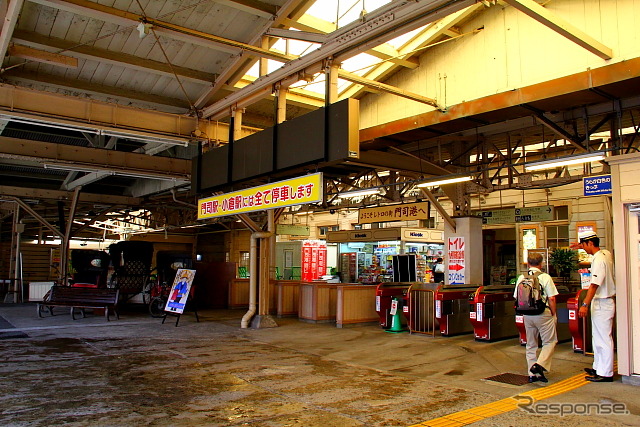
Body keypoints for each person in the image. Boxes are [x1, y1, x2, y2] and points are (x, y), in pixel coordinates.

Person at [577, 230, 616, 382]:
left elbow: (593, 285)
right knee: (597, 337)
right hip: (602, 302)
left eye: (584, 245)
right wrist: (579, 245)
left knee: (603, 338)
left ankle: (606, 373)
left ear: (591, 243)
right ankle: (598, 367)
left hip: (602, 302)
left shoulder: (599, 260)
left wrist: (584, 304)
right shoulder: (606, 254)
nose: (583, 249)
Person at [514, 252, 558, 383]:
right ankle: (539, 365)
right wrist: (553, 313)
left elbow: (516, 297)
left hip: (527, 314)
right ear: (541, 263)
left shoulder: (521, 277)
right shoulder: (545, 277)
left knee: (531, 344)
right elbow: (552, 298)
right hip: (542, 313)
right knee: (549, 342)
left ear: (528, 264)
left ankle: (532, 374)